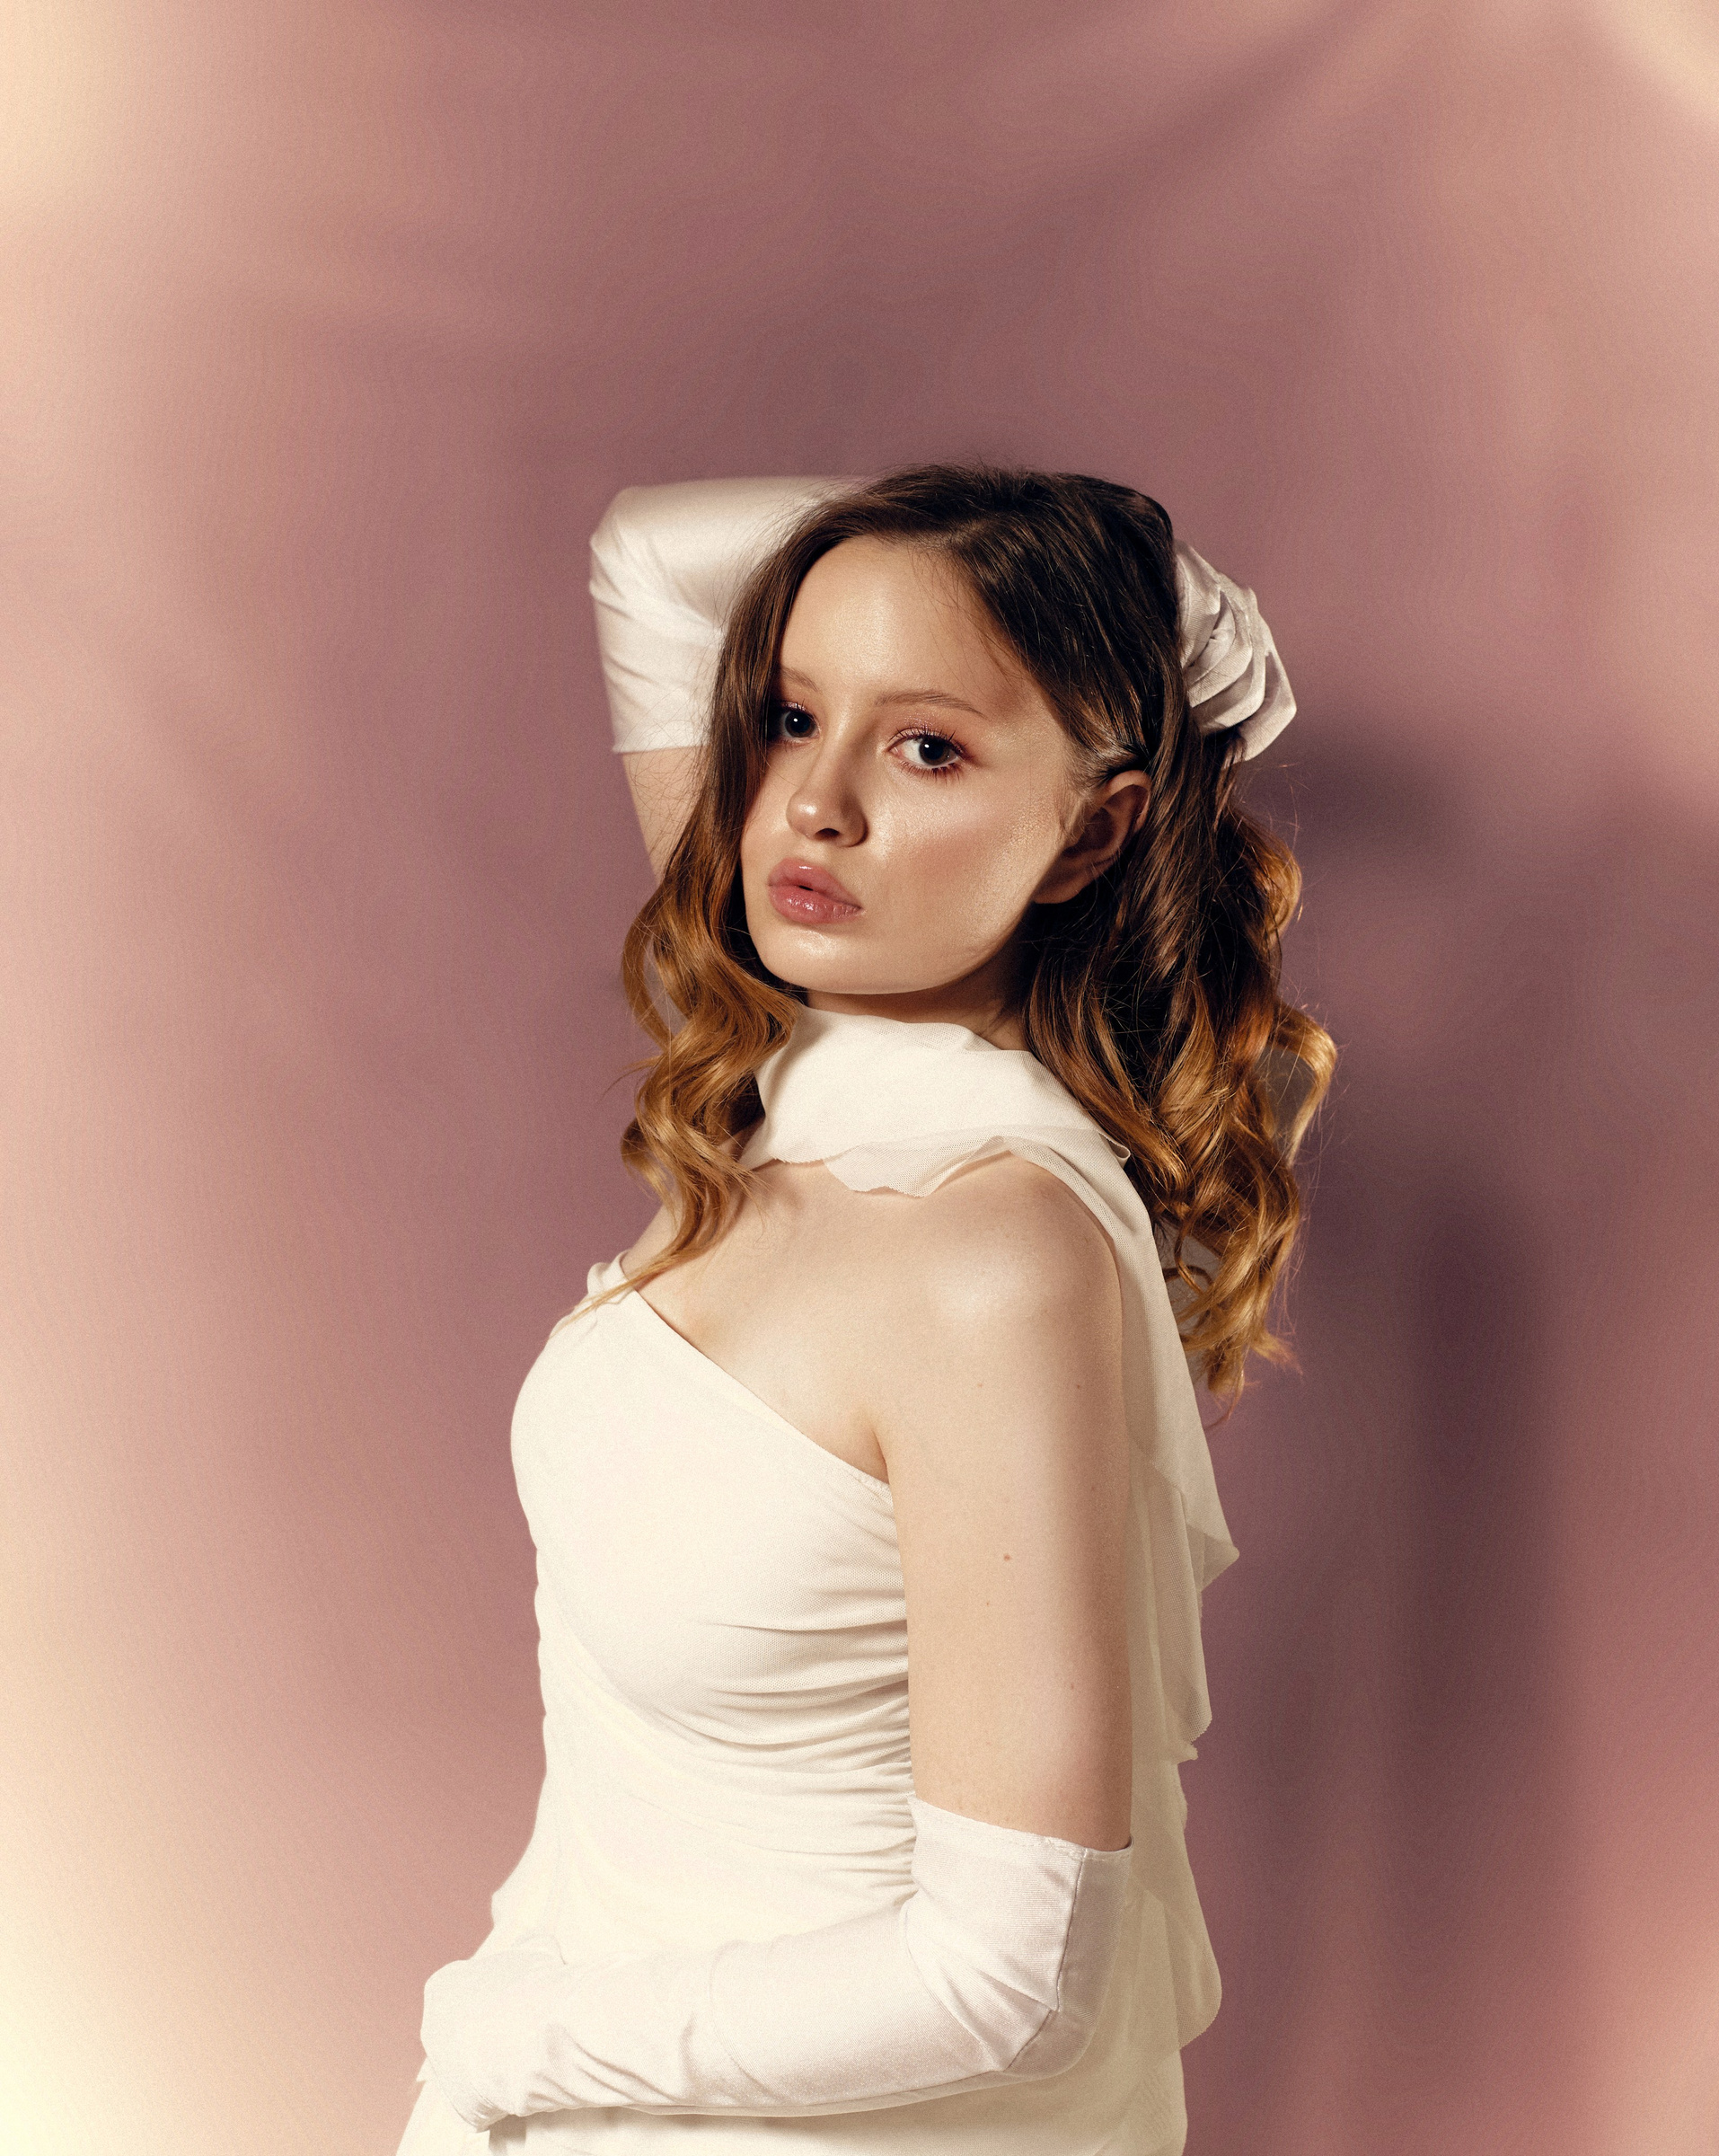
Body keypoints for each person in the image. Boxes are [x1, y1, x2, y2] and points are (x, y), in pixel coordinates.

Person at [396, 465, 1335, 2155]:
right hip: (570, 2089)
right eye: (788, 716)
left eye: (929, 750)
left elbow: (1015, 1978)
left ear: (1095, 831)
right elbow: (650, 559)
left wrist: (512, 2039)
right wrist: (1139, 585)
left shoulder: (993, 1253)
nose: (812, 807)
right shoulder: (798, 1068)